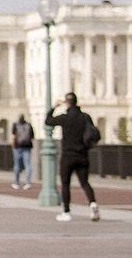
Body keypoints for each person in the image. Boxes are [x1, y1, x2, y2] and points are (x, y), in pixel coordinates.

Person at [44, 92, 99, 222]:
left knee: (65, 184)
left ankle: (66, 211)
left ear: (67, 103)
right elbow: (92, 132)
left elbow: (48, 121)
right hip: (82, 155)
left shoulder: (65, 117)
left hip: (68, 155)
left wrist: (54, 107)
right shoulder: (85, 117)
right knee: (85, 183)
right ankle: (93, 204)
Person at [10, 114, 34, 189]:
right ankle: (28, 182)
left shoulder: (15, 124)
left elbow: (13, 136)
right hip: (27, 147)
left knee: (17, 165)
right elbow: (32, 136)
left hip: (17, 147)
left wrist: (13, 144)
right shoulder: (29, 125)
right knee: (27, 165)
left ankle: (16, 182)